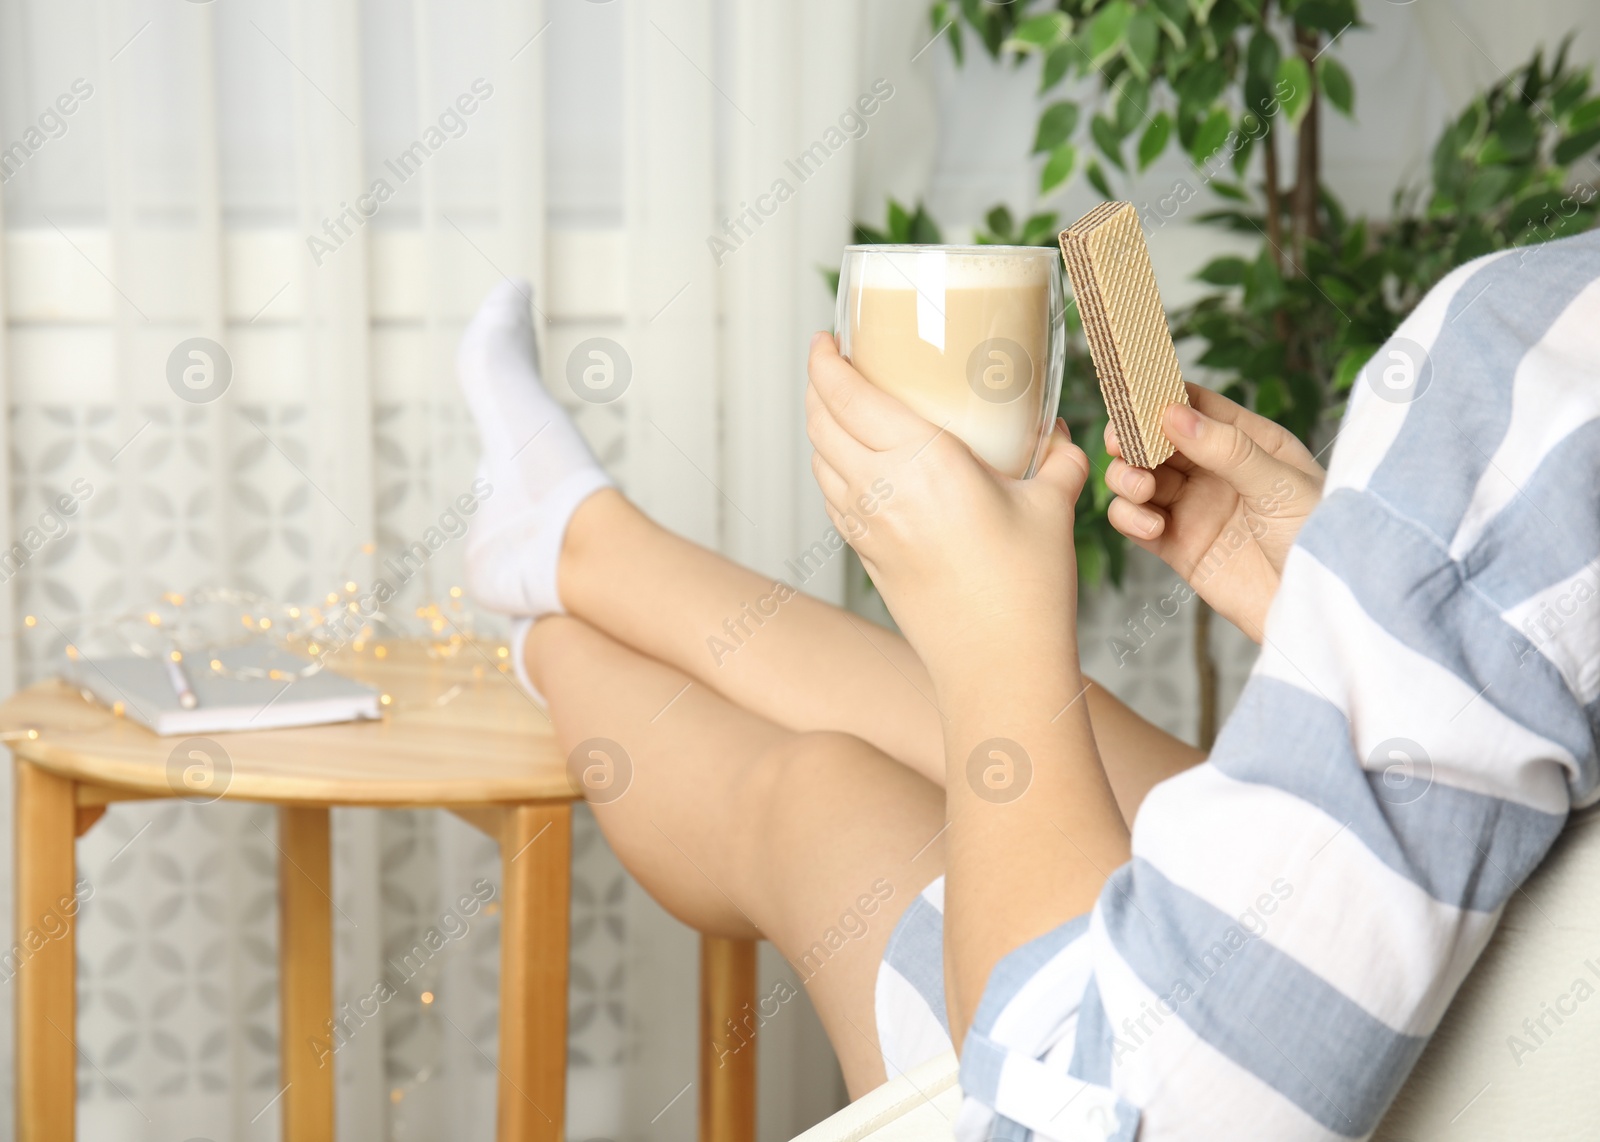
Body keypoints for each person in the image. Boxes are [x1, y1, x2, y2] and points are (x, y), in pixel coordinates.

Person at [456, 224, 1600, 1140]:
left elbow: (1058, 1101)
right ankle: (570, 544)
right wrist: (1343, 594)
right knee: (1063, 723)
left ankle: (545, 628)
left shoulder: (1547, 355)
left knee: (819, 791)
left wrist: (992, 633)